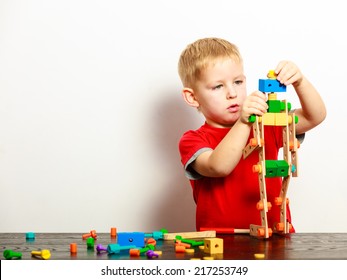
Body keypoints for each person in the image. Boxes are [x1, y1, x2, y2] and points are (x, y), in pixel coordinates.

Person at [177, 37, 326, 232]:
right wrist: (243, 122)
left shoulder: (266, 123)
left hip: (274, 234)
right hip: (221, 242)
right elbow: (219, 166)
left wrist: (300, 81)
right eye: (218, 86)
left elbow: (314, 116)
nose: (232, 93)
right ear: (192, 97)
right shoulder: (193, 140)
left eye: (238, 82)